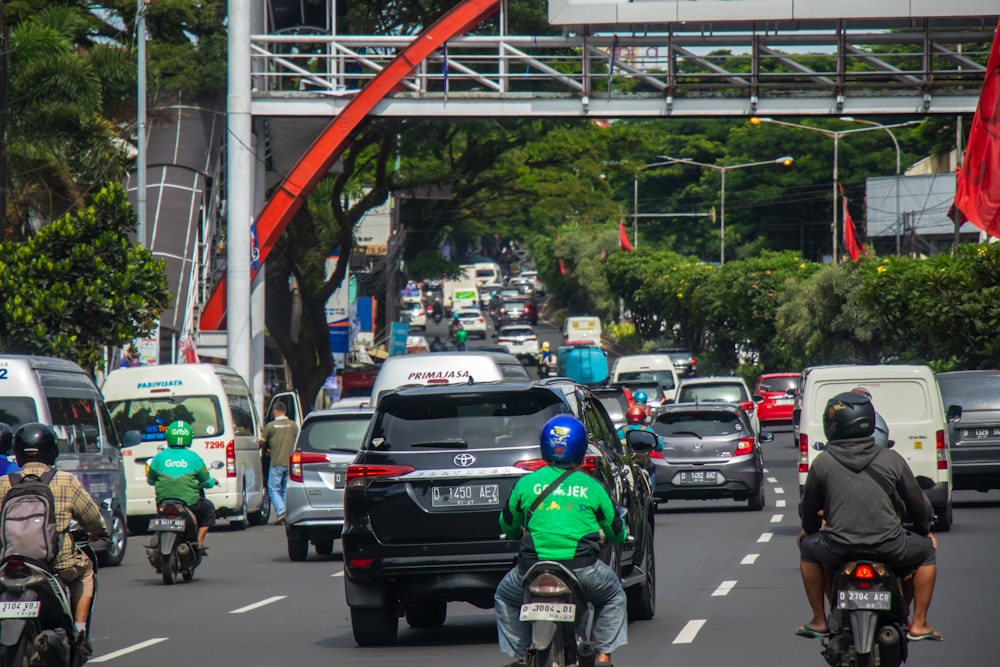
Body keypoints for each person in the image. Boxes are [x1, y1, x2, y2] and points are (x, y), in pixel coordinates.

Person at [796, 392, 941, 642]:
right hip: (891, 546)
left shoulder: (822, 462)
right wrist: (923, 529)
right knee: (927, 552)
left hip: (837, 547)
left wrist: (809, 530)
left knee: (808, 549)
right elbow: (918, 504)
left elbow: (809, 510)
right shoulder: (892, 459)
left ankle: (819, 619)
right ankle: (919, 623)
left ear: (834, 426)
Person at [495, 415, 628, 667]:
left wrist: (514, 533)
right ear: (579, 448)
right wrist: (619, 537)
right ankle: (603, 657)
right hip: (583, 569)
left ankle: (521, 655)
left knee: (504, 596)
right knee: (613, 596)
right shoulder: (594, 487)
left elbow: (509, 524)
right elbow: (614, 529)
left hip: (532, 569)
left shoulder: (525, 484)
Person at [0, 423, 107, 654]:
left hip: (8, 563)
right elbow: (93, 519)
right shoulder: (65, 481)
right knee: (86, 570)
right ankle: (79, 631)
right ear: (51, 451)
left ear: (18, 453)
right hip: (56, 564)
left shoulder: (3, 483)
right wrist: (98, 530)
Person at [146, 420, 217, 551]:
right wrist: (213, 482)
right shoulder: (194, 457)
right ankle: (199, 542)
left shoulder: (159, 457)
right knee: (209, 509)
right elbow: (206, 482)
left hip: (163, 503)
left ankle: (158, 536)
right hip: (189, 504)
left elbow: (150, 481)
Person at [259, 401, 299, 525]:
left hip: (276, 462)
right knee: (285, 489)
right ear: (285, 411)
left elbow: (261, 442)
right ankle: (287, 512)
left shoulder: (270, 426)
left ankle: (281, 511)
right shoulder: (293, 426)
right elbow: (298, 441)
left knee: (273, 488)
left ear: (275, 411)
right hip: (290, 463)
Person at [616, 406, 662, 492]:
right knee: (652, 467)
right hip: (643, 463)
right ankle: (652, 490)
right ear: (643, 417)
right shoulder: (648, 431)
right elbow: (659, 446)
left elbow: (615, 446)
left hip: (627, 463)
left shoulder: (621, 432)